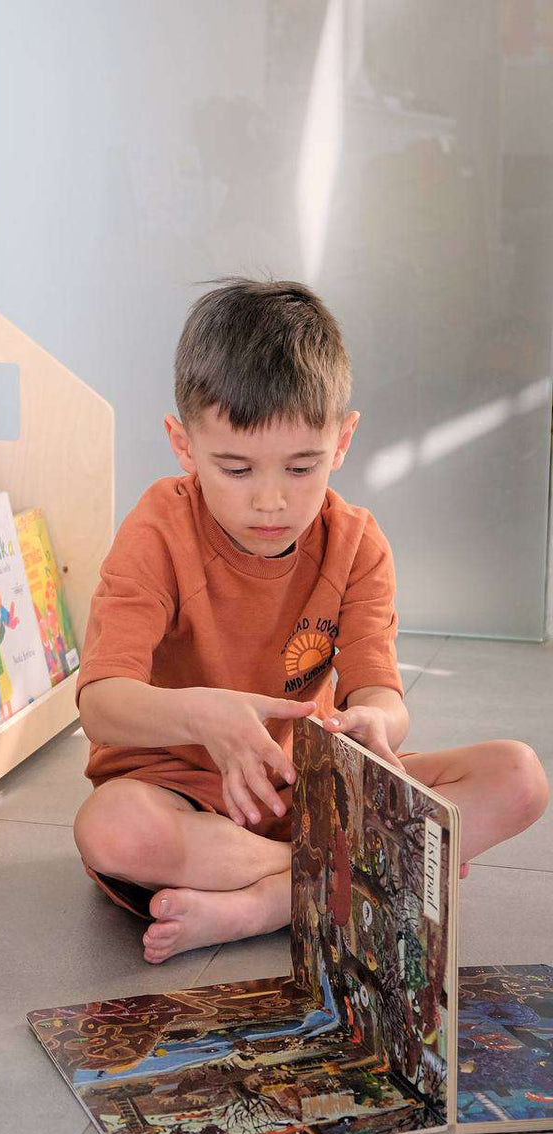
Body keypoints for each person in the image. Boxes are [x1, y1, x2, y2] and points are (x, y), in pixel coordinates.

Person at [73, 278, 549, 964]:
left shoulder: (356, 542)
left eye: (302, 467)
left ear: (344, 438)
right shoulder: (157, 529)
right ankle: (348, 879)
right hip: (183, 800)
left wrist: (376, 726)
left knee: (520, 776)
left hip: (314, 790)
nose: (270, 501)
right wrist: (205, 717)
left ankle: (269, 900)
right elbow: (103, 706)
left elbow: (380, 693)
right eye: (234, 468)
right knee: (114, 829)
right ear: (182, 445)